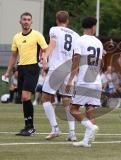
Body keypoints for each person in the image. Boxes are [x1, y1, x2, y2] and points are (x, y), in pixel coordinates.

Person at [3, 12, 48, 136]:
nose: (26, 21)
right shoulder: (16, 37)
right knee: (23, 99)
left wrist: (45, 63)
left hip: (33, 68)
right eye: (24, 19)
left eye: (29, 19)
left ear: (31, 22)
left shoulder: (37, 35)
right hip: (21, 68)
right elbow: (13, 55)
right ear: (20, 21)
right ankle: (28, 126)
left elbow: (45, 49)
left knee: (25, 96)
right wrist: (7, 72)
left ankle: (30, 127)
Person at [41, 11, 80, 141]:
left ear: (57, 20)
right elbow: (76, 57)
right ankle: (72, 133)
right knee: (67, 100)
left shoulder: (54, 30)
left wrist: (45, 56)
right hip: (69, 69)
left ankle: (55, 128)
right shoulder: (75, 35)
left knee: (46, 98)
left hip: (56, 68)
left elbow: (52, 44)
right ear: (67, 21)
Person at [66, 16, 103, 148]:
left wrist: (70, 79)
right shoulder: (99, 42)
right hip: (96, 80)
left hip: (84, 81)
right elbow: (101, 62)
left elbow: (76, 59)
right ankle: (86, 142)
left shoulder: (79, 40)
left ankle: (91, 128)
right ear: (93, 26)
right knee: (90, 110)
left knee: (73, 109)